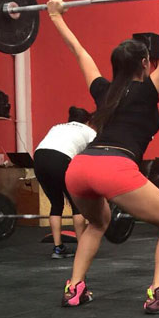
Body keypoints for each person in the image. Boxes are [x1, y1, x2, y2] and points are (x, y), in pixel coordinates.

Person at [46, 0, 159, 313]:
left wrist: (55, 16)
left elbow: (80, 53)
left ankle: (74, 288)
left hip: (79, 168)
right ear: (144, 63)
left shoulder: (103, 89)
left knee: (97, 223)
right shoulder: (148, 89)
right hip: (114, 168)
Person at [34, 106, 96, 257]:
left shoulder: (56, 127)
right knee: (77, 205)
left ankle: (58, 248)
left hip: (39, 158)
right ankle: (82, 248)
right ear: (87, 121)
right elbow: (95, 155)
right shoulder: (89, 131)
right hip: (60, 159)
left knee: (56, 204)